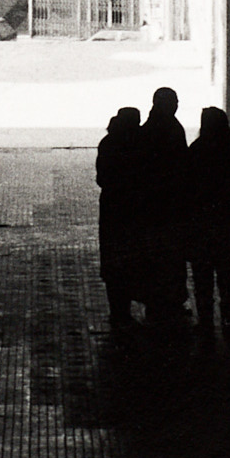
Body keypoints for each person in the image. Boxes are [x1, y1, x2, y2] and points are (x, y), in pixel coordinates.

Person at [185, 107, 230, 340]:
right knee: (229, 277)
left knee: (203, 277)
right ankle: (229, 321)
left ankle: (206, 322)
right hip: (229, 223)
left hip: (201, 224)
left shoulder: (196, 151)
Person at [138, 86, 190, 321]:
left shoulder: (149, 129)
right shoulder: (172, 129)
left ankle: (157, 299)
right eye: (174, 101)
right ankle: (170, 299)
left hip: (153, 205)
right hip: (169, 206)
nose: (177, 105)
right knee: (170, 255)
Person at [95, 106, 146, 330]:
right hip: (134, 209)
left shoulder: (108, 143)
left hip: (112, 208)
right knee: (131, 258)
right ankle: (125, 308)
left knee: (113, 258)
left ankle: (118, 310)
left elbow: (102, 178)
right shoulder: (139, 144)